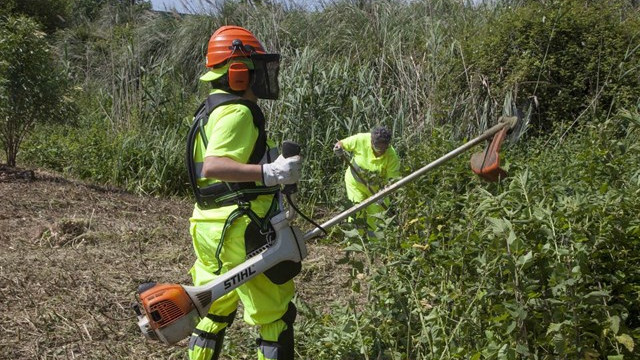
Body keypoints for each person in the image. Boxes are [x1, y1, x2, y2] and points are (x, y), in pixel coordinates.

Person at [186, 25, 301, 360]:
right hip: (242, 228)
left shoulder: (208, 112)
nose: (259, 77)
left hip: (208, 225)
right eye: (254, 69)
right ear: (238, 73)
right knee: (274, 315)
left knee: (213, 308)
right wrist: (269, 172)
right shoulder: (237, 112)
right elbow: (214, 165)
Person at [333, 126, 400, 230]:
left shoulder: (392, 156)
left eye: (384, 148)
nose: (380, 151)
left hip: (377, 191)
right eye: (378, 147)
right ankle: (355, 242)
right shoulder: (361, 139)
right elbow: (341, 143)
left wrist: (384, 192)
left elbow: (393, 180)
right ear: (372, 142)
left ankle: (374, 243)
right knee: (356, 212)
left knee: (377, 218)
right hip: (355, 184)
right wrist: (338, 148)